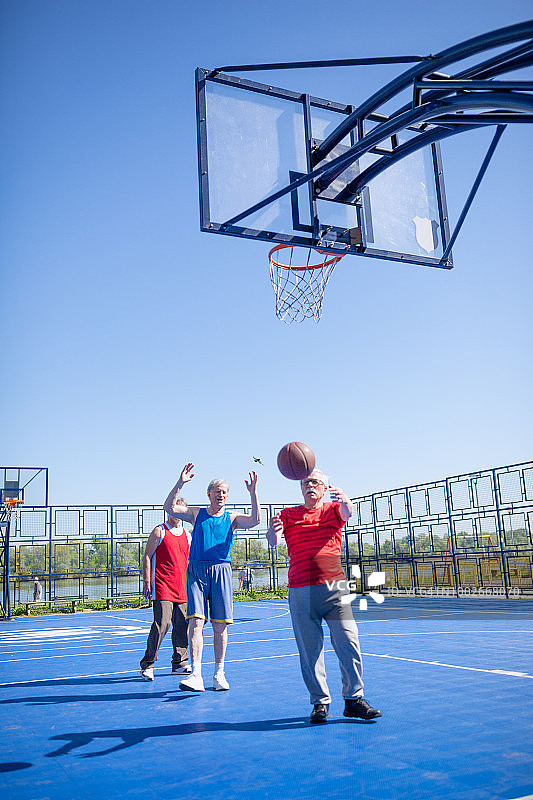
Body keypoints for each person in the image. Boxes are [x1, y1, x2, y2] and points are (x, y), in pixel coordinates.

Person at [267, 468, 382, 724]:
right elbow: (273, 541)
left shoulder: (332, 509)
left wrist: (346, 501)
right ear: (301, 487)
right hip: (301, 589)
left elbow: (347, 513)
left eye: (316, 482)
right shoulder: (288, 515)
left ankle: (354, 700)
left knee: (349, 642)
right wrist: (273, 532)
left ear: (323, 488)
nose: (311, 485)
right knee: (310, 651)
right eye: (307, 482)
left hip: (334, 589)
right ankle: (320, 703)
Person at [163, 463, 260, 692]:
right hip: (197, 570)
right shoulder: (197, 514)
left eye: (225, 493)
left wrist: (253, 493)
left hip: (221, 571)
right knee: (196, 622)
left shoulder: (232, 517)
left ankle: (219, 674)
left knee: (220, 627)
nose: (222, 496)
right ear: (209, 495)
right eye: (217, 492)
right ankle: (196, 674)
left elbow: (255, 519)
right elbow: (169, 507)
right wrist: (180, 483)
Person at [140, 512, 191, 681]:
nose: (176, 514)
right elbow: (147, 556)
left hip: (182, 587)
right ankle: (148, 664)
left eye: (180, 511)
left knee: (182, 624)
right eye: (173, 510)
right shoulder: (159, 531)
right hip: (162, 586)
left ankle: (179, 663)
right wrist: (147, 580)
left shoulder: (187, 535)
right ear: (169, 511)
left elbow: (189, 561)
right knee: (162, 623)